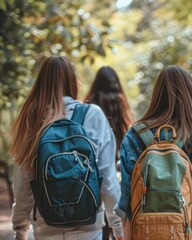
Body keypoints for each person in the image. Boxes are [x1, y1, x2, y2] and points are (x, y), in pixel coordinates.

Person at [9, 56, 124, 240]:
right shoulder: (92, 115)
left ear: (41, 82)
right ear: (72, 81)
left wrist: (20, 230)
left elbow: (23, 182)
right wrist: (118, 226)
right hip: (88, 227)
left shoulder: (32, 118)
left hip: (47, 227)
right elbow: (107, 178)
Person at [115, 65, 192, 239]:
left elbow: (127, 197)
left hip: (146, 232)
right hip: (187, 231)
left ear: (157, 94)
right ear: (191, 94)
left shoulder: (135, 135)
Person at [85, 66, 134, 240]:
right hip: (118, 170)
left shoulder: (89, 104)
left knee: (100, 220)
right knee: (117, 219)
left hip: (93, 172)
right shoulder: (120, 102)